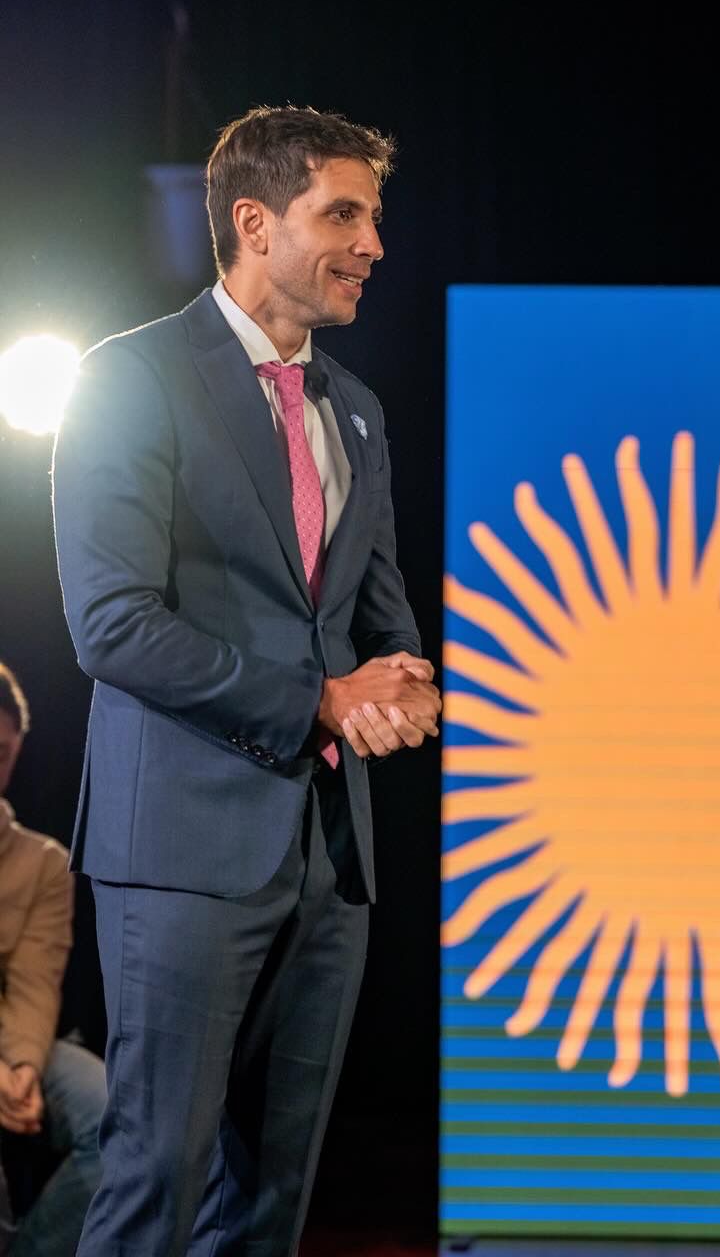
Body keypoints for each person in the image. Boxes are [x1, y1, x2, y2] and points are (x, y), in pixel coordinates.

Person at [50, 105, 443, 1256]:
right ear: (256, 223)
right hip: (180, 853)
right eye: (345, 215)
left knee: (272, 1204)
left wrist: (406, 681)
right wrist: (321, 699)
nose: (374, 245)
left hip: (329, 861)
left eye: (375, 218)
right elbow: (114, 625)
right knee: (156, 1184)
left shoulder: (356, 410)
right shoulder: (132, 378)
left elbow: (377, 610)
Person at [0, 659, 106, 1257]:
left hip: (23, 1041)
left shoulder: (42, 861)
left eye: (0, 753)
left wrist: (19, 1067)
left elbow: (36, 981)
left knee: (118, 1117)